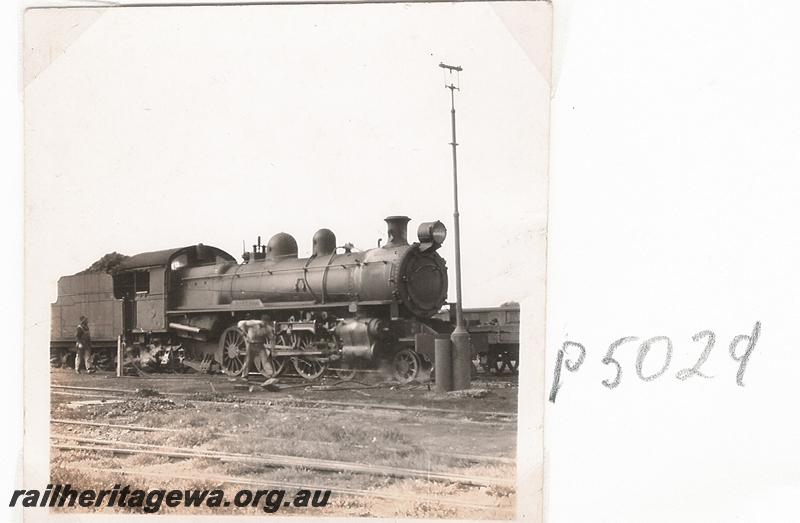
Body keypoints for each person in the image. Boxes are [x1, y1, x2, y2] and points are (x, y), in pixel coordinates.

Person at [236, 315, 277, 387]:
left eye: (266, 323)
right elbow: (240, 323)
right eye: (264, 322)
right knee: (248, 360)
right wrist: (244, 331)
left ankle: (270, 375)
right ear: (261, 321)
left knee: (265, 360)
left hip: (260, 345)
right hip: (251, 345)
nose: (264, 324)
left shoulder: (268, 328)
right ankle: (244, 376)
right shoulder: (253, 324)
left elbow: (272, 339)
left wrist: (273, 350)